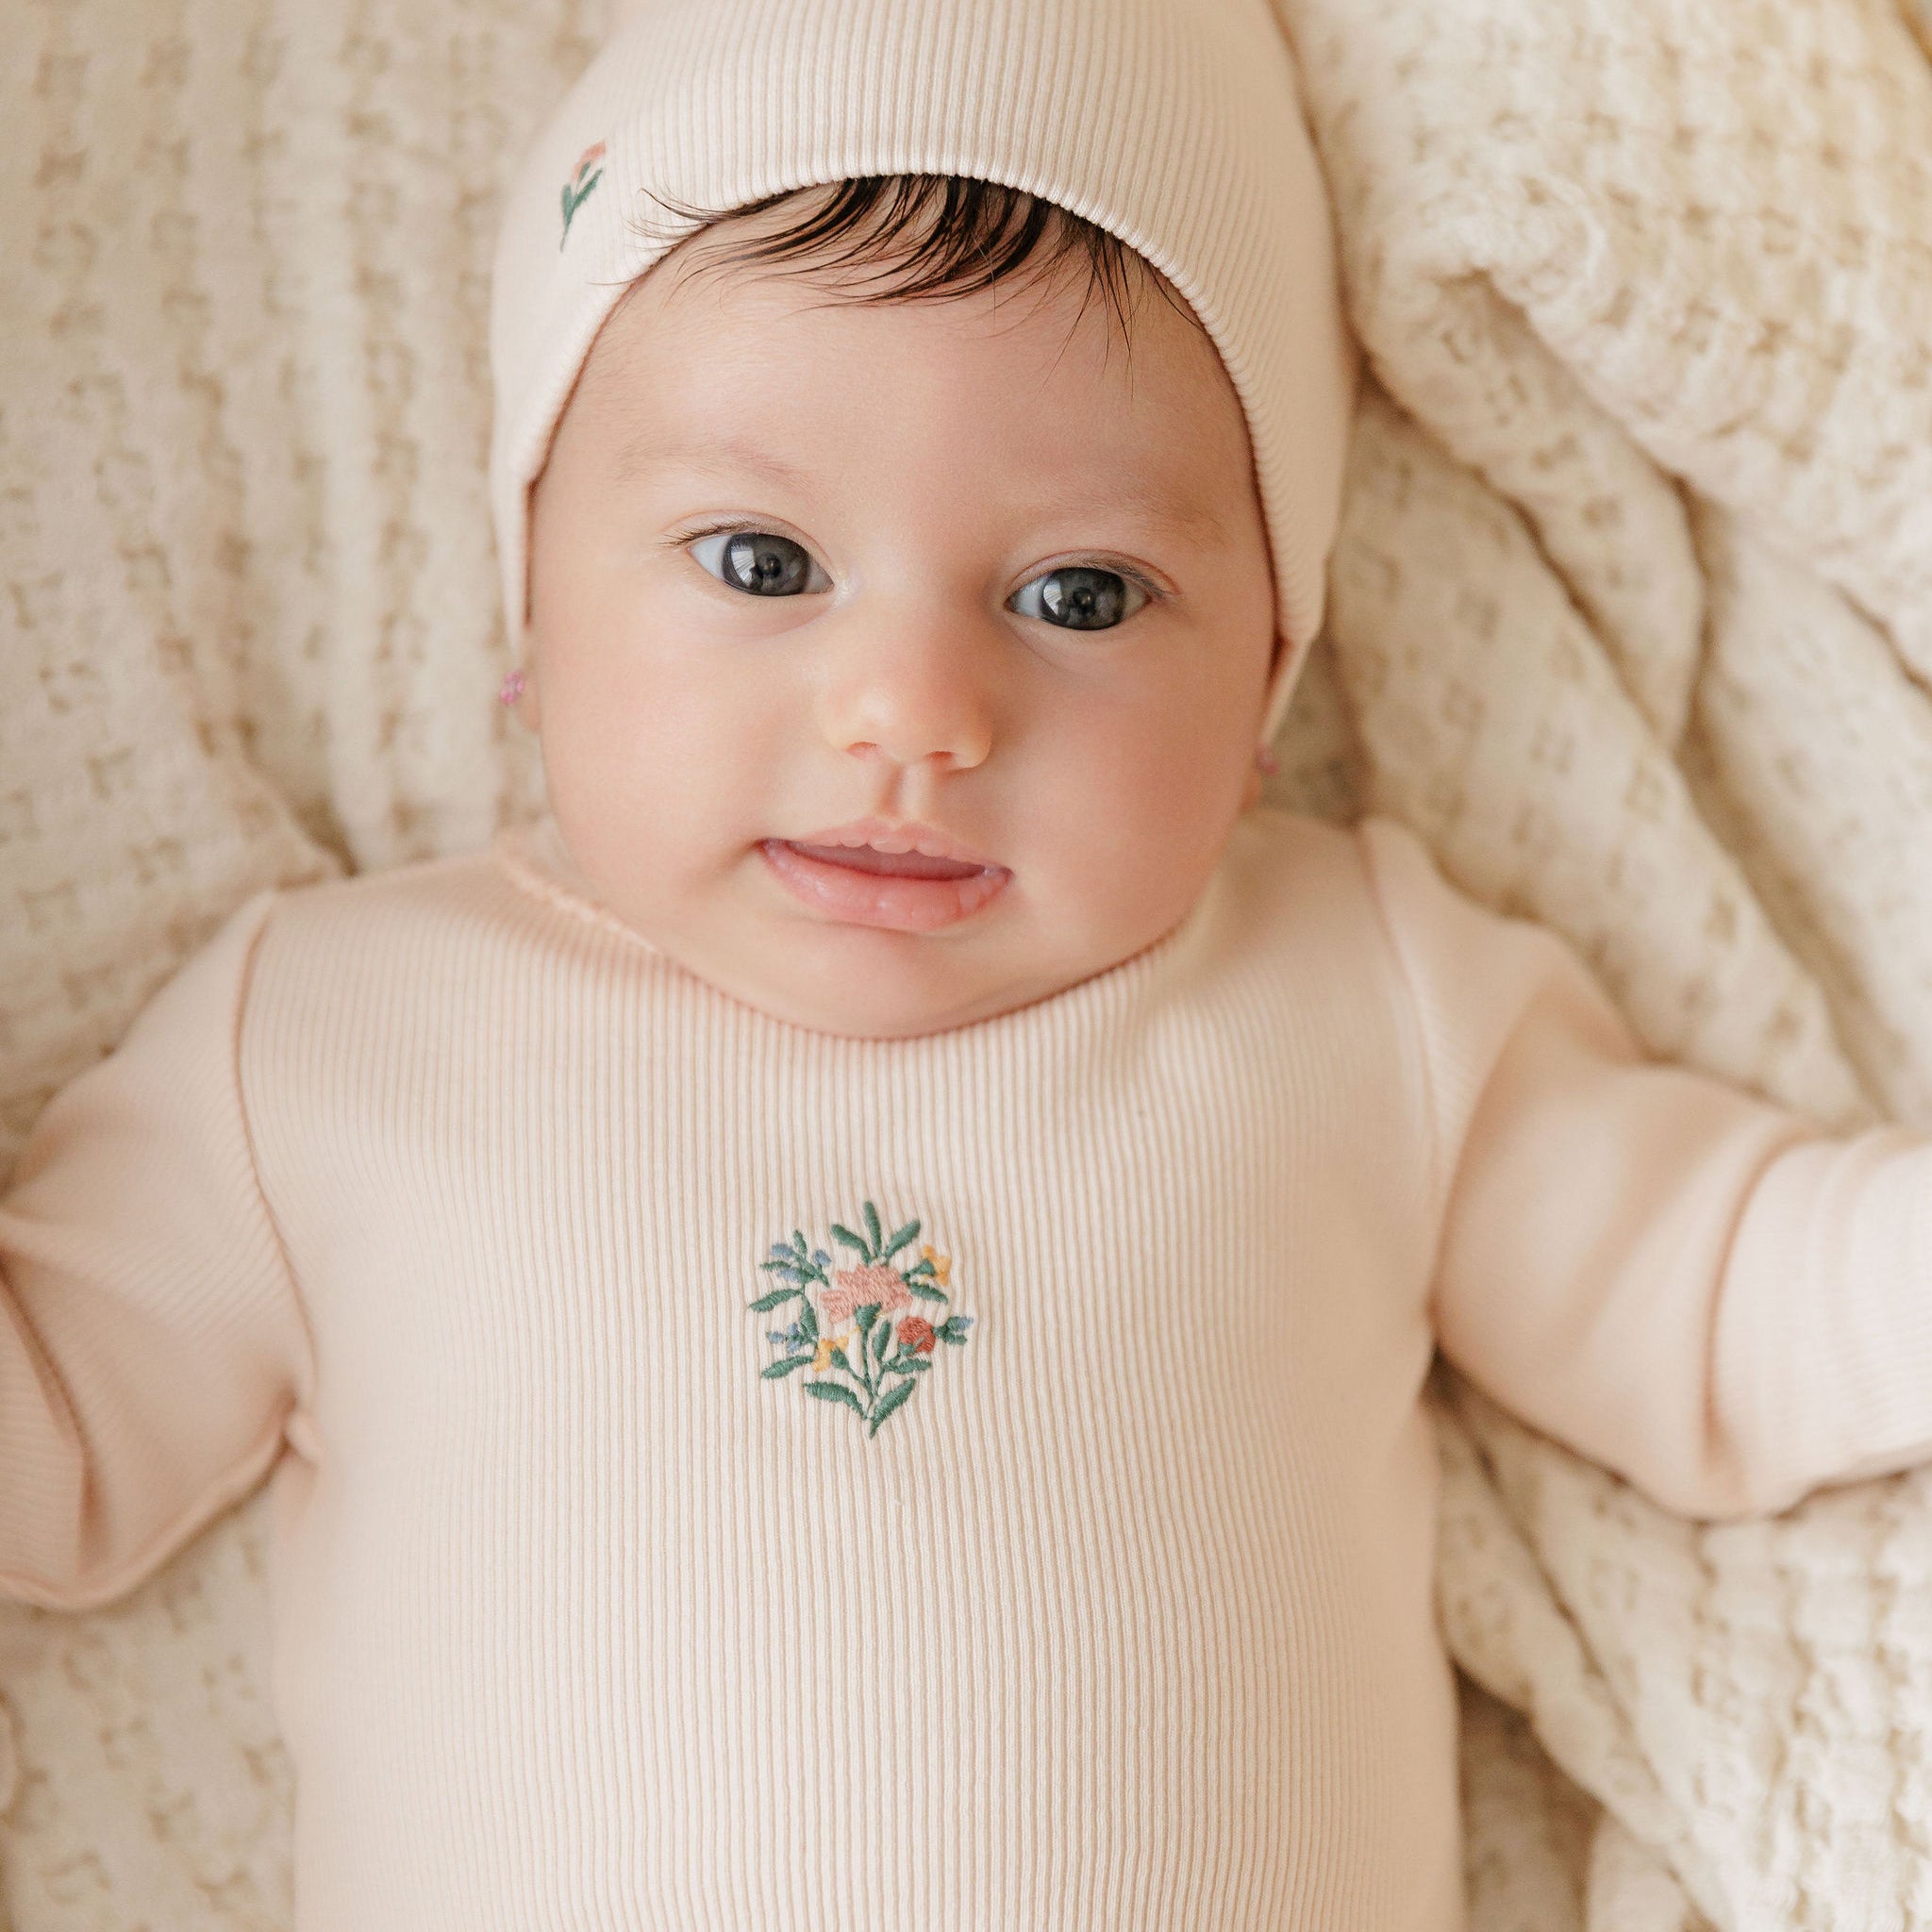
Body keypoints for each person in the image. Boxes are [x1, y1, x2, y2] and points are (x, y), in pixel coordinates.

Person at [2, 0, 1927, 1924]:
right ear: (532, 603)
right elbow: (59, 1440)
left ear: (1269, 676)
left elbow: (1721, 1297)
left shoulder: (1356, 994)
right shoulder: (333, 1041)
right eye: (761, 562)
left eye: (1079, 594)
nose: (913, 710)